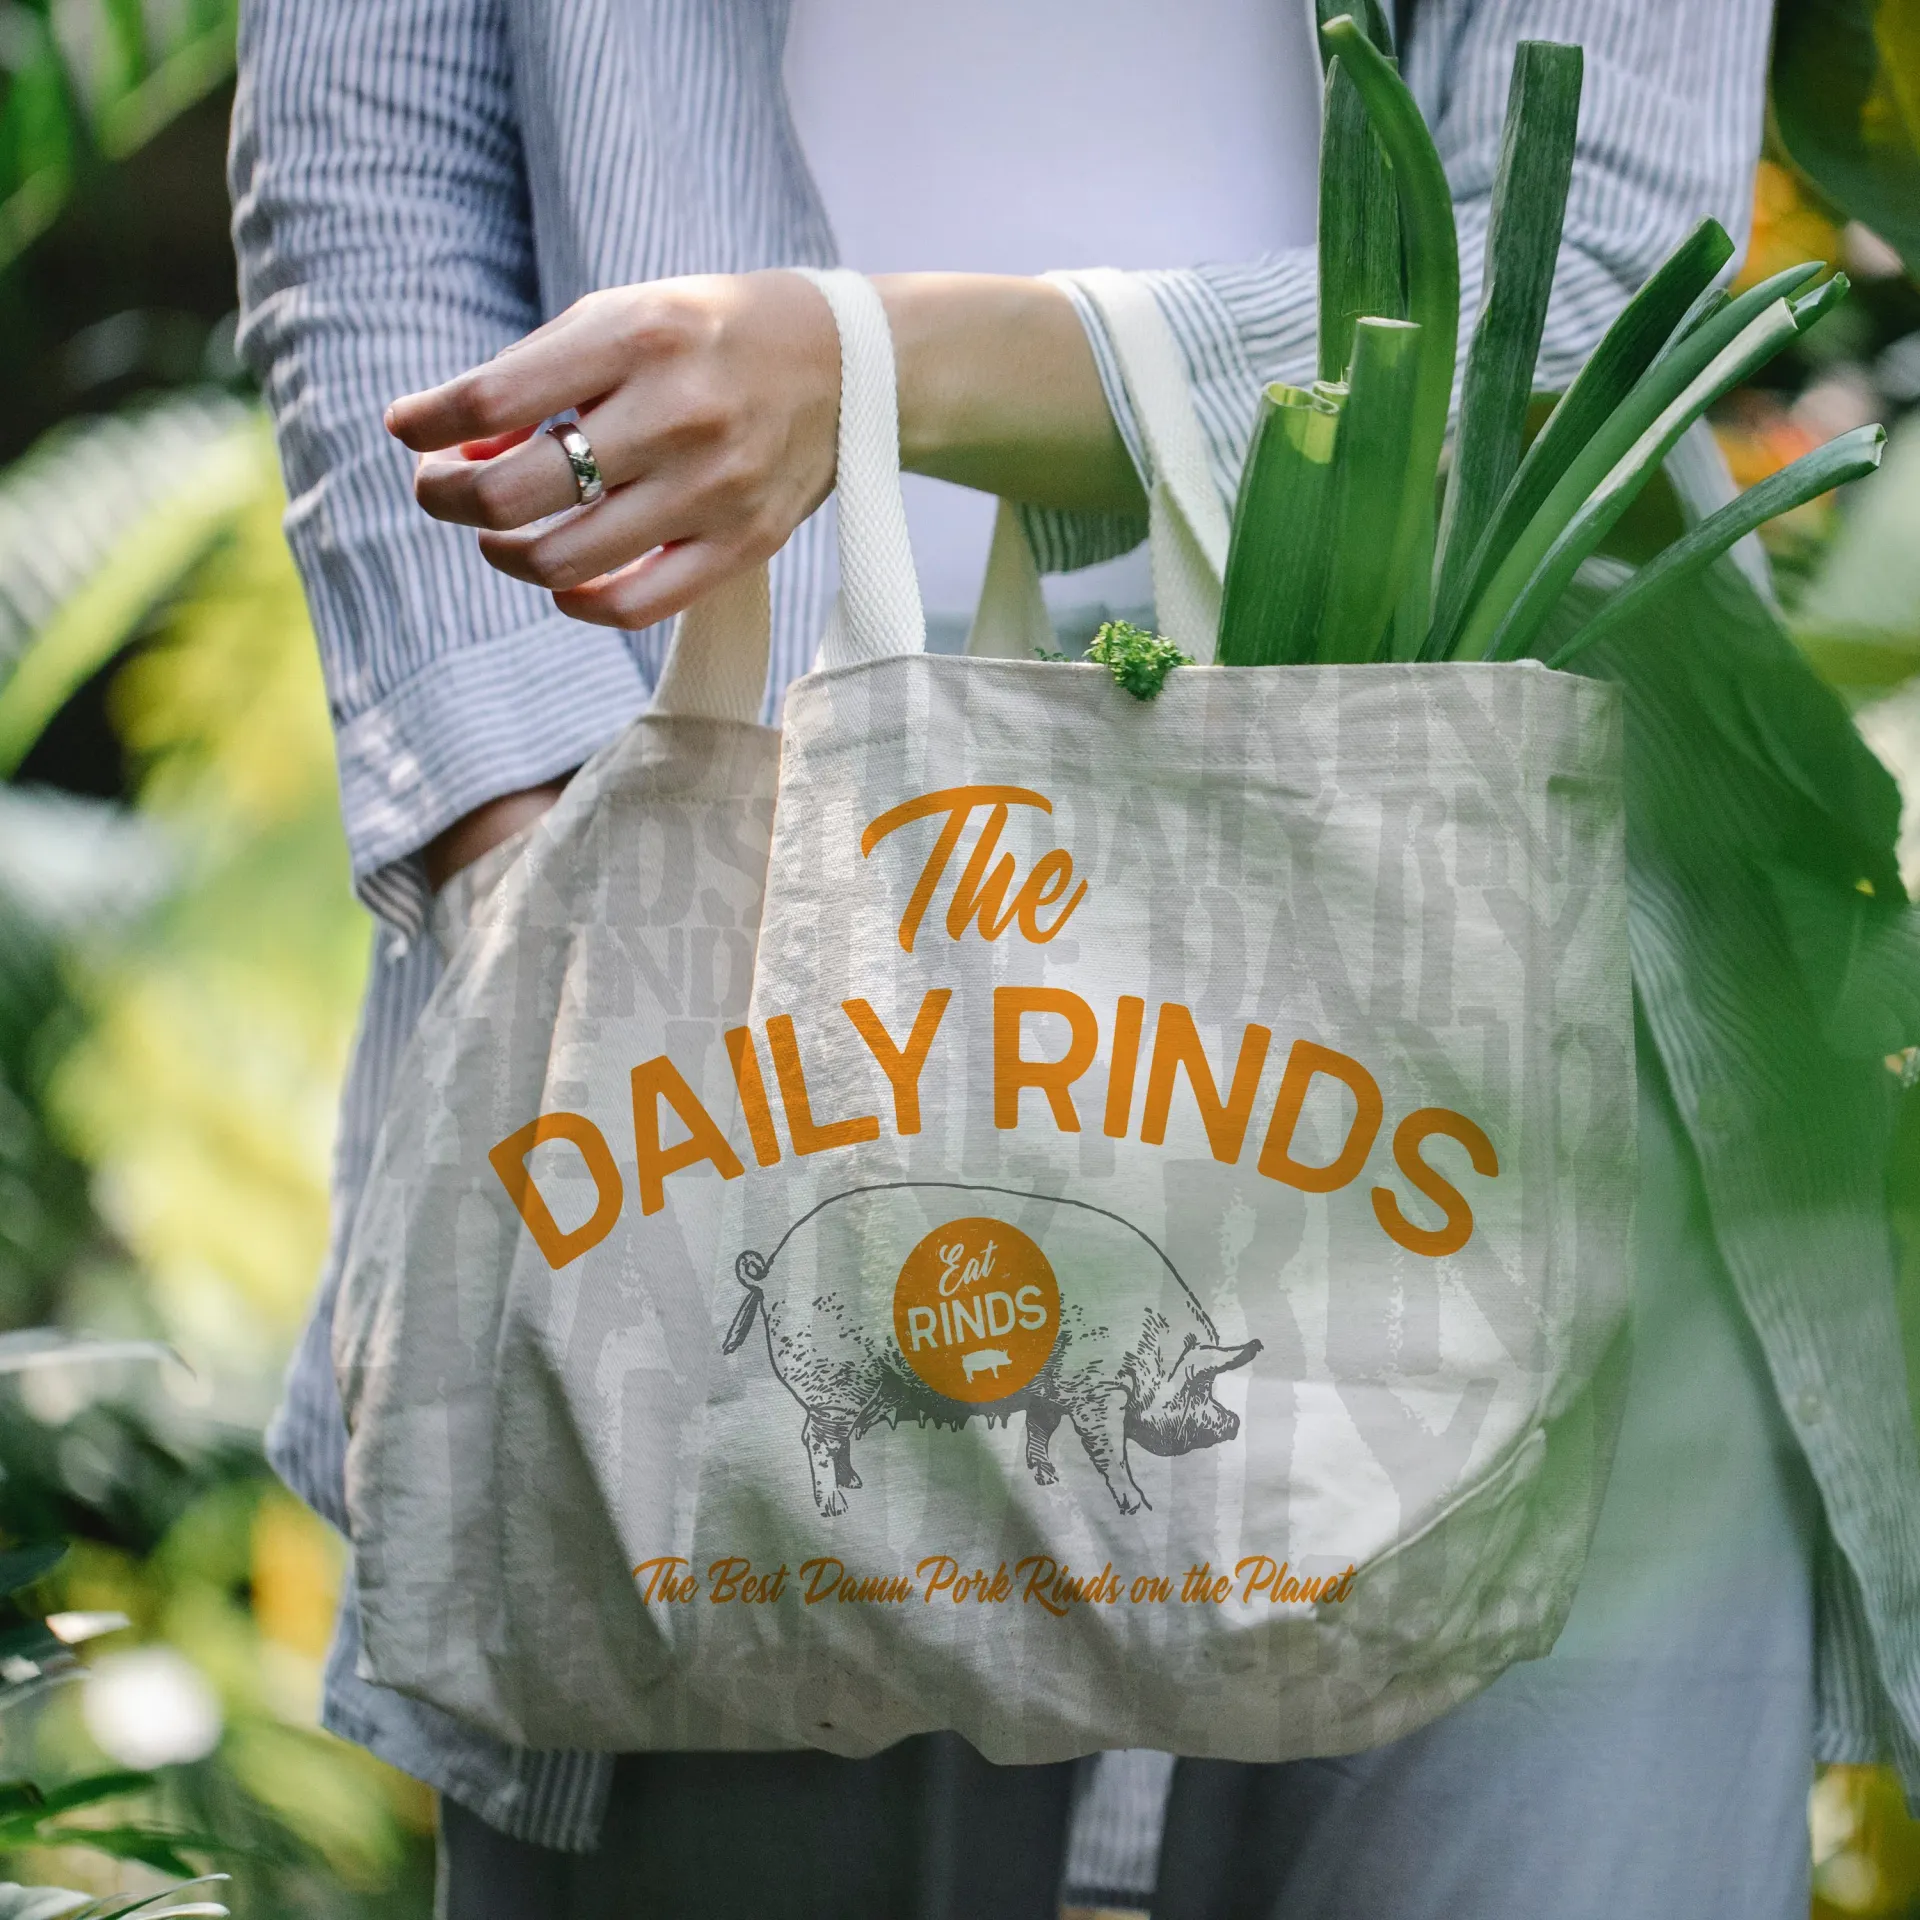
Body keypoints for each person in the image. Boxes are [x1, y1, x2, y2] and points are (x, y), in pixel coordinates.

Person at [229, 0, 1920, 1914]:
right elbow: (368, 174)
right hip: (710, 959)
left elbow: (1598, 276)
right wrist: (520, 844)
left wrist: (869, 369)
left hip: (1486, 954)